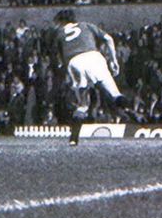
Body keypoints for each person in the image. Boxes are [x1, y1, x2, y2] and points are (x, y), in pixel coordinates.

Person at [49, 8, 133, 145]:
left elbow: (58, 59)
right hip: (94, 57)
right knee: (115, 94)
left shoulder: (59, 33)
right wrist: (114, 60)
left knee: (82, 104)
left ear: (61, 21)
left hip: (74, 61)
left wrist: (68, 75)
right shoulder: (86, 25)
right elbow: (109, 39)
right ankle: (131, 113)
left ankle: (73, 139)